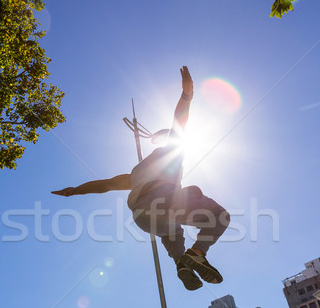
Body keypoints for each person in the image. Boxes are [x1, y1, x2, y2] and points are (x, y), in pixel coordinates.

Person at [52, 67, 230, 290]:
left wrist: (75, 190)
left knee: (173, 229)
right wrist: (187, 95)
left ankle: (181, 264)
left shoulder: (135, 173)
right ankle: (196, 253)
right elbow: (179, 122)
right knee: (219, 214)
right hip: (163, 201)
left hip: (141, 218)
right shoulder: (172, 151)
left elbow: (104, 185)